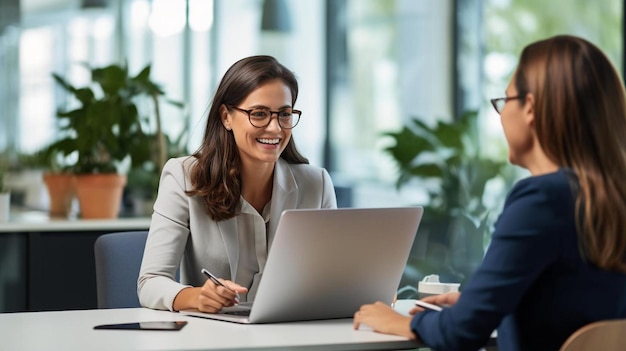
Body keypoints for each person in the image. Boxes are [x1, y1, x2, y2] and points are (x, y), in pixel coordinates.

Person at [354, 35, 626, 350]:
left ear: (531, 109)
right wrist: (482, 303)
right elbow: (572, 304)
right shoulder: (609, 198)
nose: (501, 114)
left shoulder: (541, 201)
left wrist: (400, 321)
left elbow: (463, 333)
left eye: (505, 100)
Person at [138, 55, 337, 312]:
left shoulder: (316, 184)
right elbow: (151, 282)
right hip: (213, 339)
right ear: (226, 117)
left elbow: (333, 277)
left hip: (291, 333)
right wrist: (197, 297)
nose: (275, 128)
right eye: (259, 114)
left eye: (284, 114)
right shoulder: (184, 177)